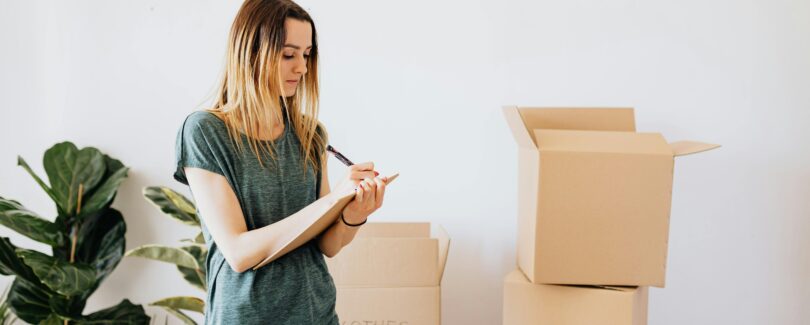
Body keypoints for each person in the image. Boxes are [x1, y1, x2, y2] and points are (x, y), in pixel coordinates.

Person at [172, 1, 387, 323]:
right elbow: (239, 253)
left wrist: (353, 214)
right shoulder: (205, 131)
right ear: (251, 52)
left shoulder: (310, 133)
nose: (301, 67)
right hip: (244, 317)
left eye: (307, 54)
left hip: (316, 313)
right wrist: (333, 200)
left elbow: (326, 245)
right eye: (289, 54)